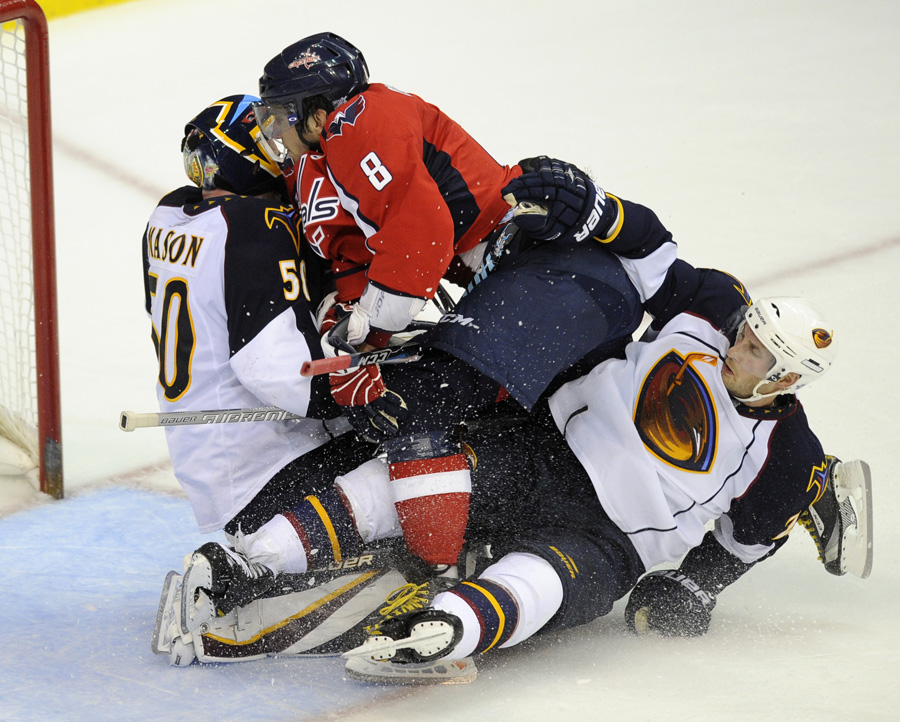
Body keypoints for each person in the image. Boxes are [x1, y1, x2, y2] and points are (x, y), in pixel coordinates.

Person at [252, 33, 684, 575]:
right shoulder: (322, 161)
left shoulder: (358, 120)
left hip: (551, 270)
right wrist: (354, 330)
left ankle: (432, 578)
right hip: (534, 282)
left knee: (419, 402)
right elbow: (362, 258)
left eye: (279, 116)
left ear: (314, 113)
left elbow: (422, 232)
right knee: (553, 426)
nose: (275, 131)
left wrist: (371, 324)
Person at [333, 279, 874, 683]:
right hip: (551, 449)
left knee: (544, 579)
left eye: (755, 351)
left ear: (787, 378)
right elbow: (646, 270)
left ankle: (447, 630)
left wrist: (695, 585)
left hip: (612, 539)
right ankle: (264, 554)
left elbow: (744, 544)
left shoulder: (785, 457)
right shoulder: (713, 312)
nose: (735, 349)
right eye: (745, 335)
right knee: (427, 479)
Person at [143, 95, 398, 655]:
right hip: (271, 466)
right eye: (267, 141)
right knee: (425, 457)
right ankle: (241, 596)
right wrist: (368, 382)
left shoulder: (168, 217)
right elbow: (283, 374)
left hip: (221, 467)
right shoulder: (255, 226)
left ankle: (252, 563)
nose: (285, 151)